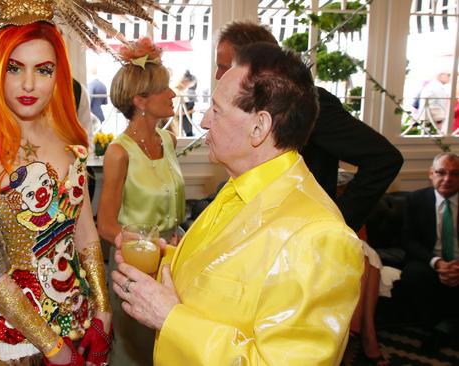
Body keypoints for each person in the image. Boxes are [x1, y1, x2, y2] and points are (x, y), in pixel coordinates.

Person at [110, 42, 364, 365]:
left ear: (259, 127)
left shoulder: (320, 237)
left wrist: (169, 318)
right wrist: (162, 259)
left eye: (215, 111)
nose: (202, 121)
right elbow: (227, 277)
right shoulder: (240, 188)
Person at [214, 22, 402, 364]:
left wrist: (339, 221)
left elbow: (384, 158)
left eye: (224, 66)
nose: (216, 75)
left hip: (300, 256)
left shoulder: (311, 105)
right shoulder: (242, 112)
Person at [0, 22, 112, 365]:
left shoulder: (71, 142)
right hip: (19, 345)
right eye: (15, 68)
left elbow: (85, 233)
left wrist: (103, 310)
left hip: (80, 324)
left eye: (44, 70)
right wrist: (55, 350)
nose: (29, 84)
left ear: (59, 74)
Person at [97, 37, 185, 366]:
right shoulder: (118, 154)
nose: (173, 94)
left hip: (174, 263)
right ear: (140, 101)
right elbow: (105, 225)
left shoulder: (169, 140)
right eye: (165, 89)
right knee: (135, 353)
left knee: (170, 348)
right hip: (136, 265)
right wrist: (148, 244)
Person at [393, 152, 459, 353]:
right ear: (431, 174)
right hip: (430, 260)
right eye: (441, 172)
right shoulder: (416, 200)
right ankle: (437, 326)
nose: (447, 179)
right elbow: (408, 240)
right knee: (414, 274)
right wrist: (438, 263)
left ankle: (448, 328)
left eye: (455, 174)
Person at [176, 70, 197, 137]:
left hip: (180, 127)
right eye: (189, 85)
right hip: (177, 125)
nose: (188, 87)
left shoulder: (181, 92)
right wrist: (191, 111)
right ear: (186, 82)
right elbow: (176, 113)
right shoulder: (177, 93)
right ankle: (189, 133)